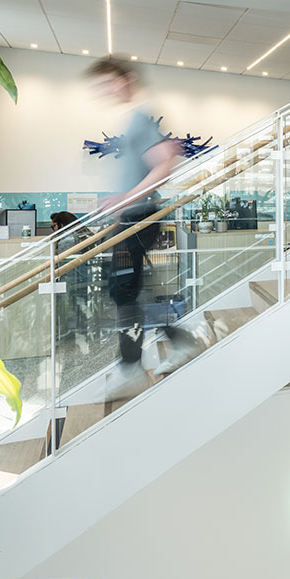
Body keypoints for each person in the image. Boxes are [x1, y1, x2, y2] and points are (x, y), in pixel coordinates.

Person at [85, 57, 197, 398]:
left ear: (127, 79)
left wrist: (125, 199)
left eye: (110, 83)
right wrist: (120, 205)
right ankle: (175, 343)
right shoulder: (135, 118)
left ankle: (132, 365)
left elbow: (165, 162)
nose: (106, 90)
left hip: (140, 217)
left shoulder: (141, 117)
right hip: (131, 218)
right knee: (128, 291)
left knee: (123, 291)